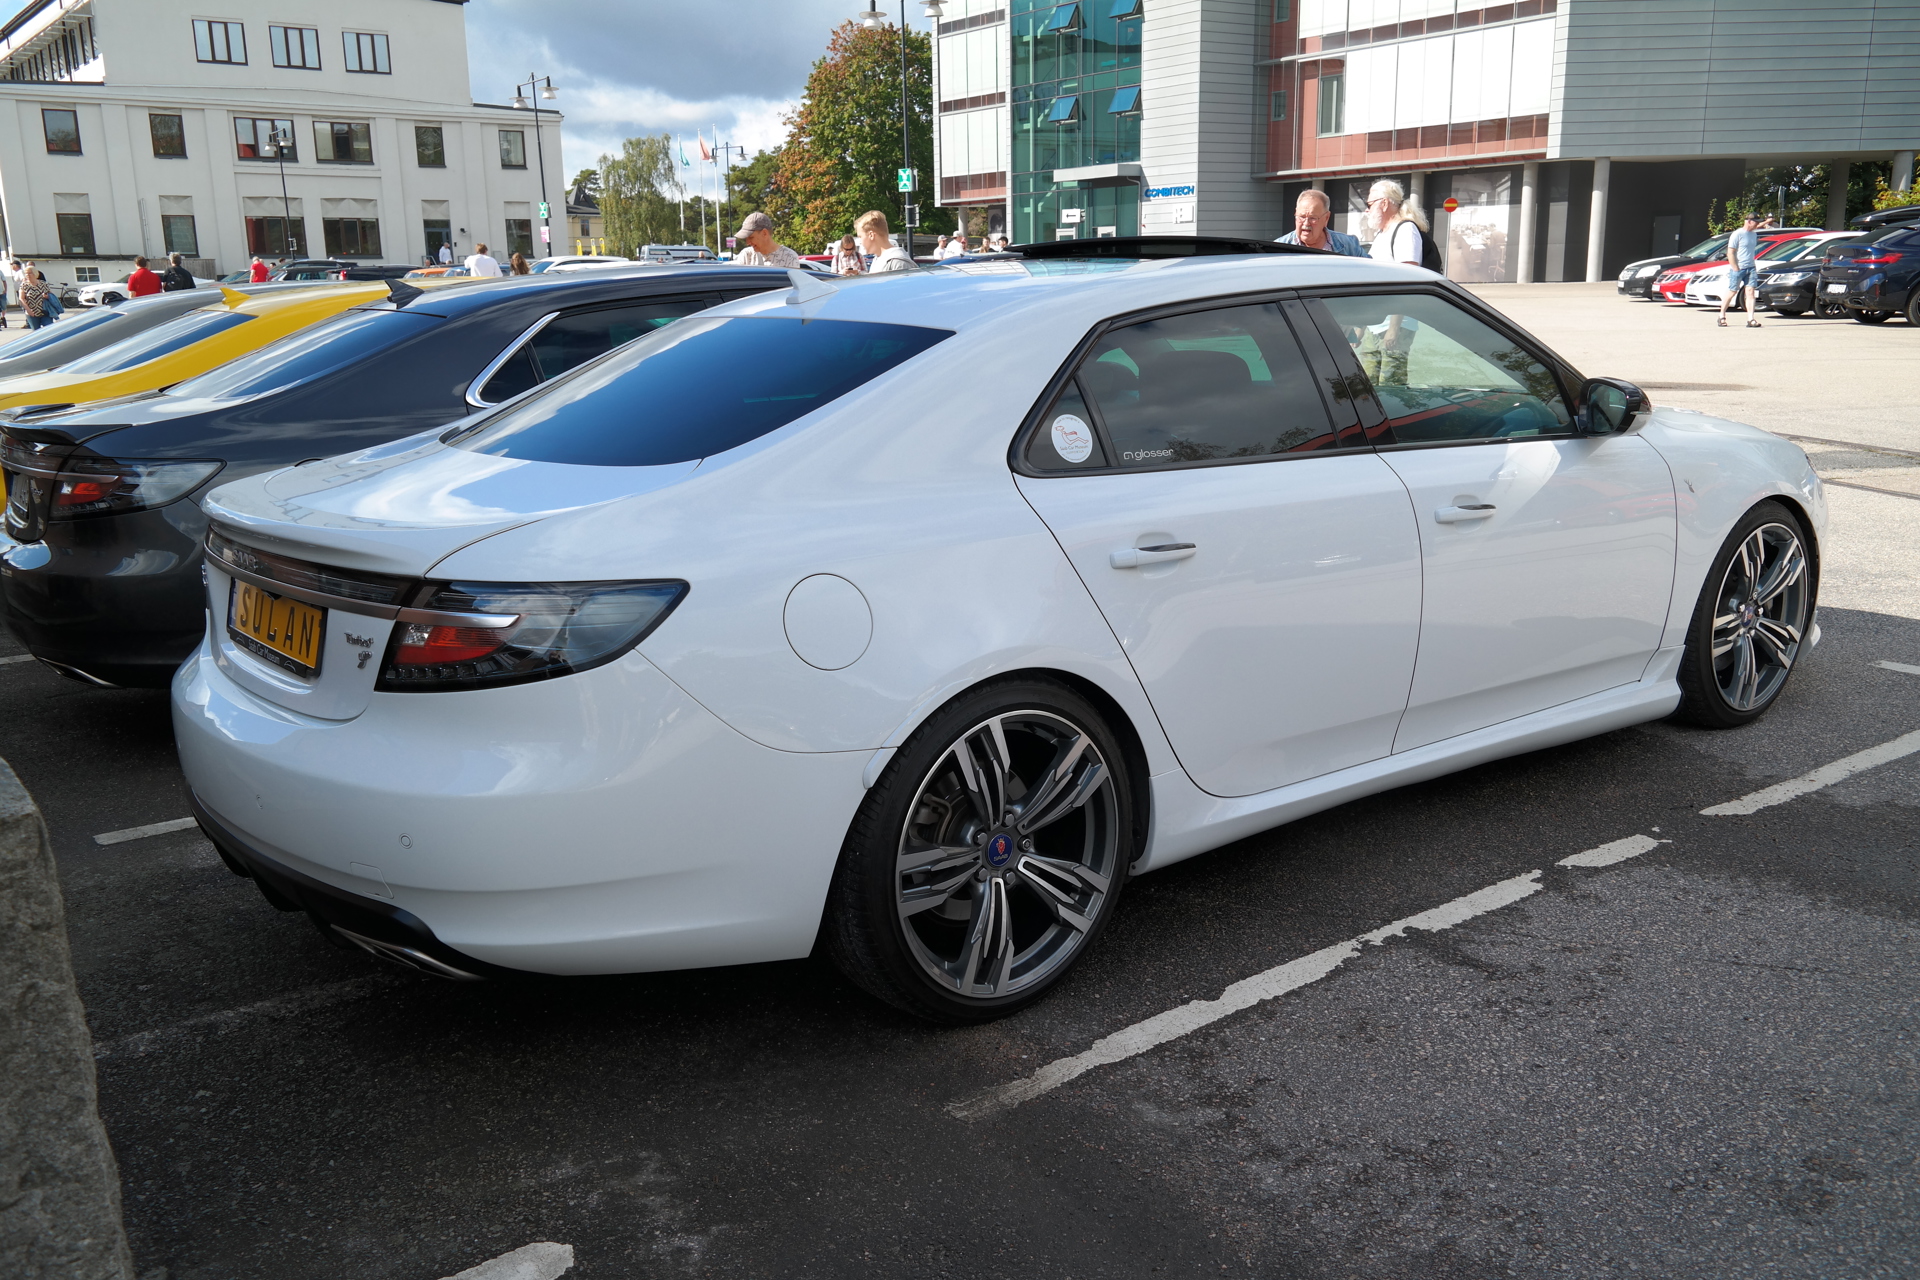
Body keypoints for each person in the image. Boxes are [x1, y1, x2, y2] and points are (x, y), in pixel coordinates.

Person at [1276, 188, 1366, 256]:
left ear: (1326, 218)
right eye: (1302, 217)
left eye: (1313, 218)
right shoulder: (1278, 248)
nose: (1306, 223)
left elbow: (1369, 270)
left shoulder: (1349, 245)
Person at [1365, 179, 1429, 267]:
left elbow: (1408, 272)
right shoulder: (1382, 232)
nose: (1367, 210)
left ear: (1384, 203)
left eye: (1369, 205)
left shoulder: (1405, 230)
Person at [1720, 213, 1763, 328]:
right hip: (1739, 268)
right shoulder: (1737, 234)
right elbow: (1730, 252)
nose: (1757, 224)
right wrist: (1735, 267)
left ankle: (1751, 319)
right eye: (1756, 222)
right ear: (1749, 221)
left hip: (1751, 267)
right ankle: (1722, 315)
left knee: (1750, 292)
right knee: (1732, 291)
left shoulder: (1753, 234)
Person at [731, 211, 803, 268]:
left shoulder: (789, 257)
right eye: (746, 238)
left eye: (751, 237)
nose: (747, 242)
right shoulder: (746, 255)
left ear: (764, 233)